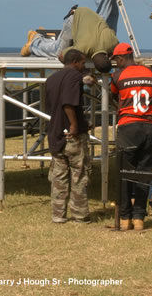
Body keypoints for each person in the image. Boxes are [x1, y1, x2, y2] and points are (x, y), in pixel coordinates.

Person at [110, 43, 152, 230]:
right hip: (148, 127)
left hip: (128, 127)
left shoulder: (118, 76)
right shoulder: (150, 73)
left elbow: (115, 95)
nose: (116, 64)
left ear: (121, 59)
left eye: (116, 60)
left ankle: (124, 219)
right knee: (143, 173)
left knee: (124, 174)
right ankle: (139, 217)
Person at [45, 49, 92, 223]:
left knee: (59, 175)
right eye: (82, 63)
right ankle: (80, 215)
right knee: (78, 174)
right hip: (72, 136)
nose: (84, 66)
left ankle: (58, 214)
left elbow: (53, 107)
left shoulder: (51, 79)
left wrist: (82, 122)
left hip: (55, 133)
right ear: (75, 62)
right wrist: (74, 125)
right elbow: (68, 102)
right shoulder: (74, 77)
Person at [20, 6, 117, 73]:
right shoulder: (82, 49)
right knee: (57, 50)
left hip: (87, 13)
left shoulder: (113, 42)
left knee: (61, 45)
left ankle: (44, 38)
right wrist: (84, 72)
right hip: (74, 20)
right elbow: (62, 56)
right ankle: (34, 42)